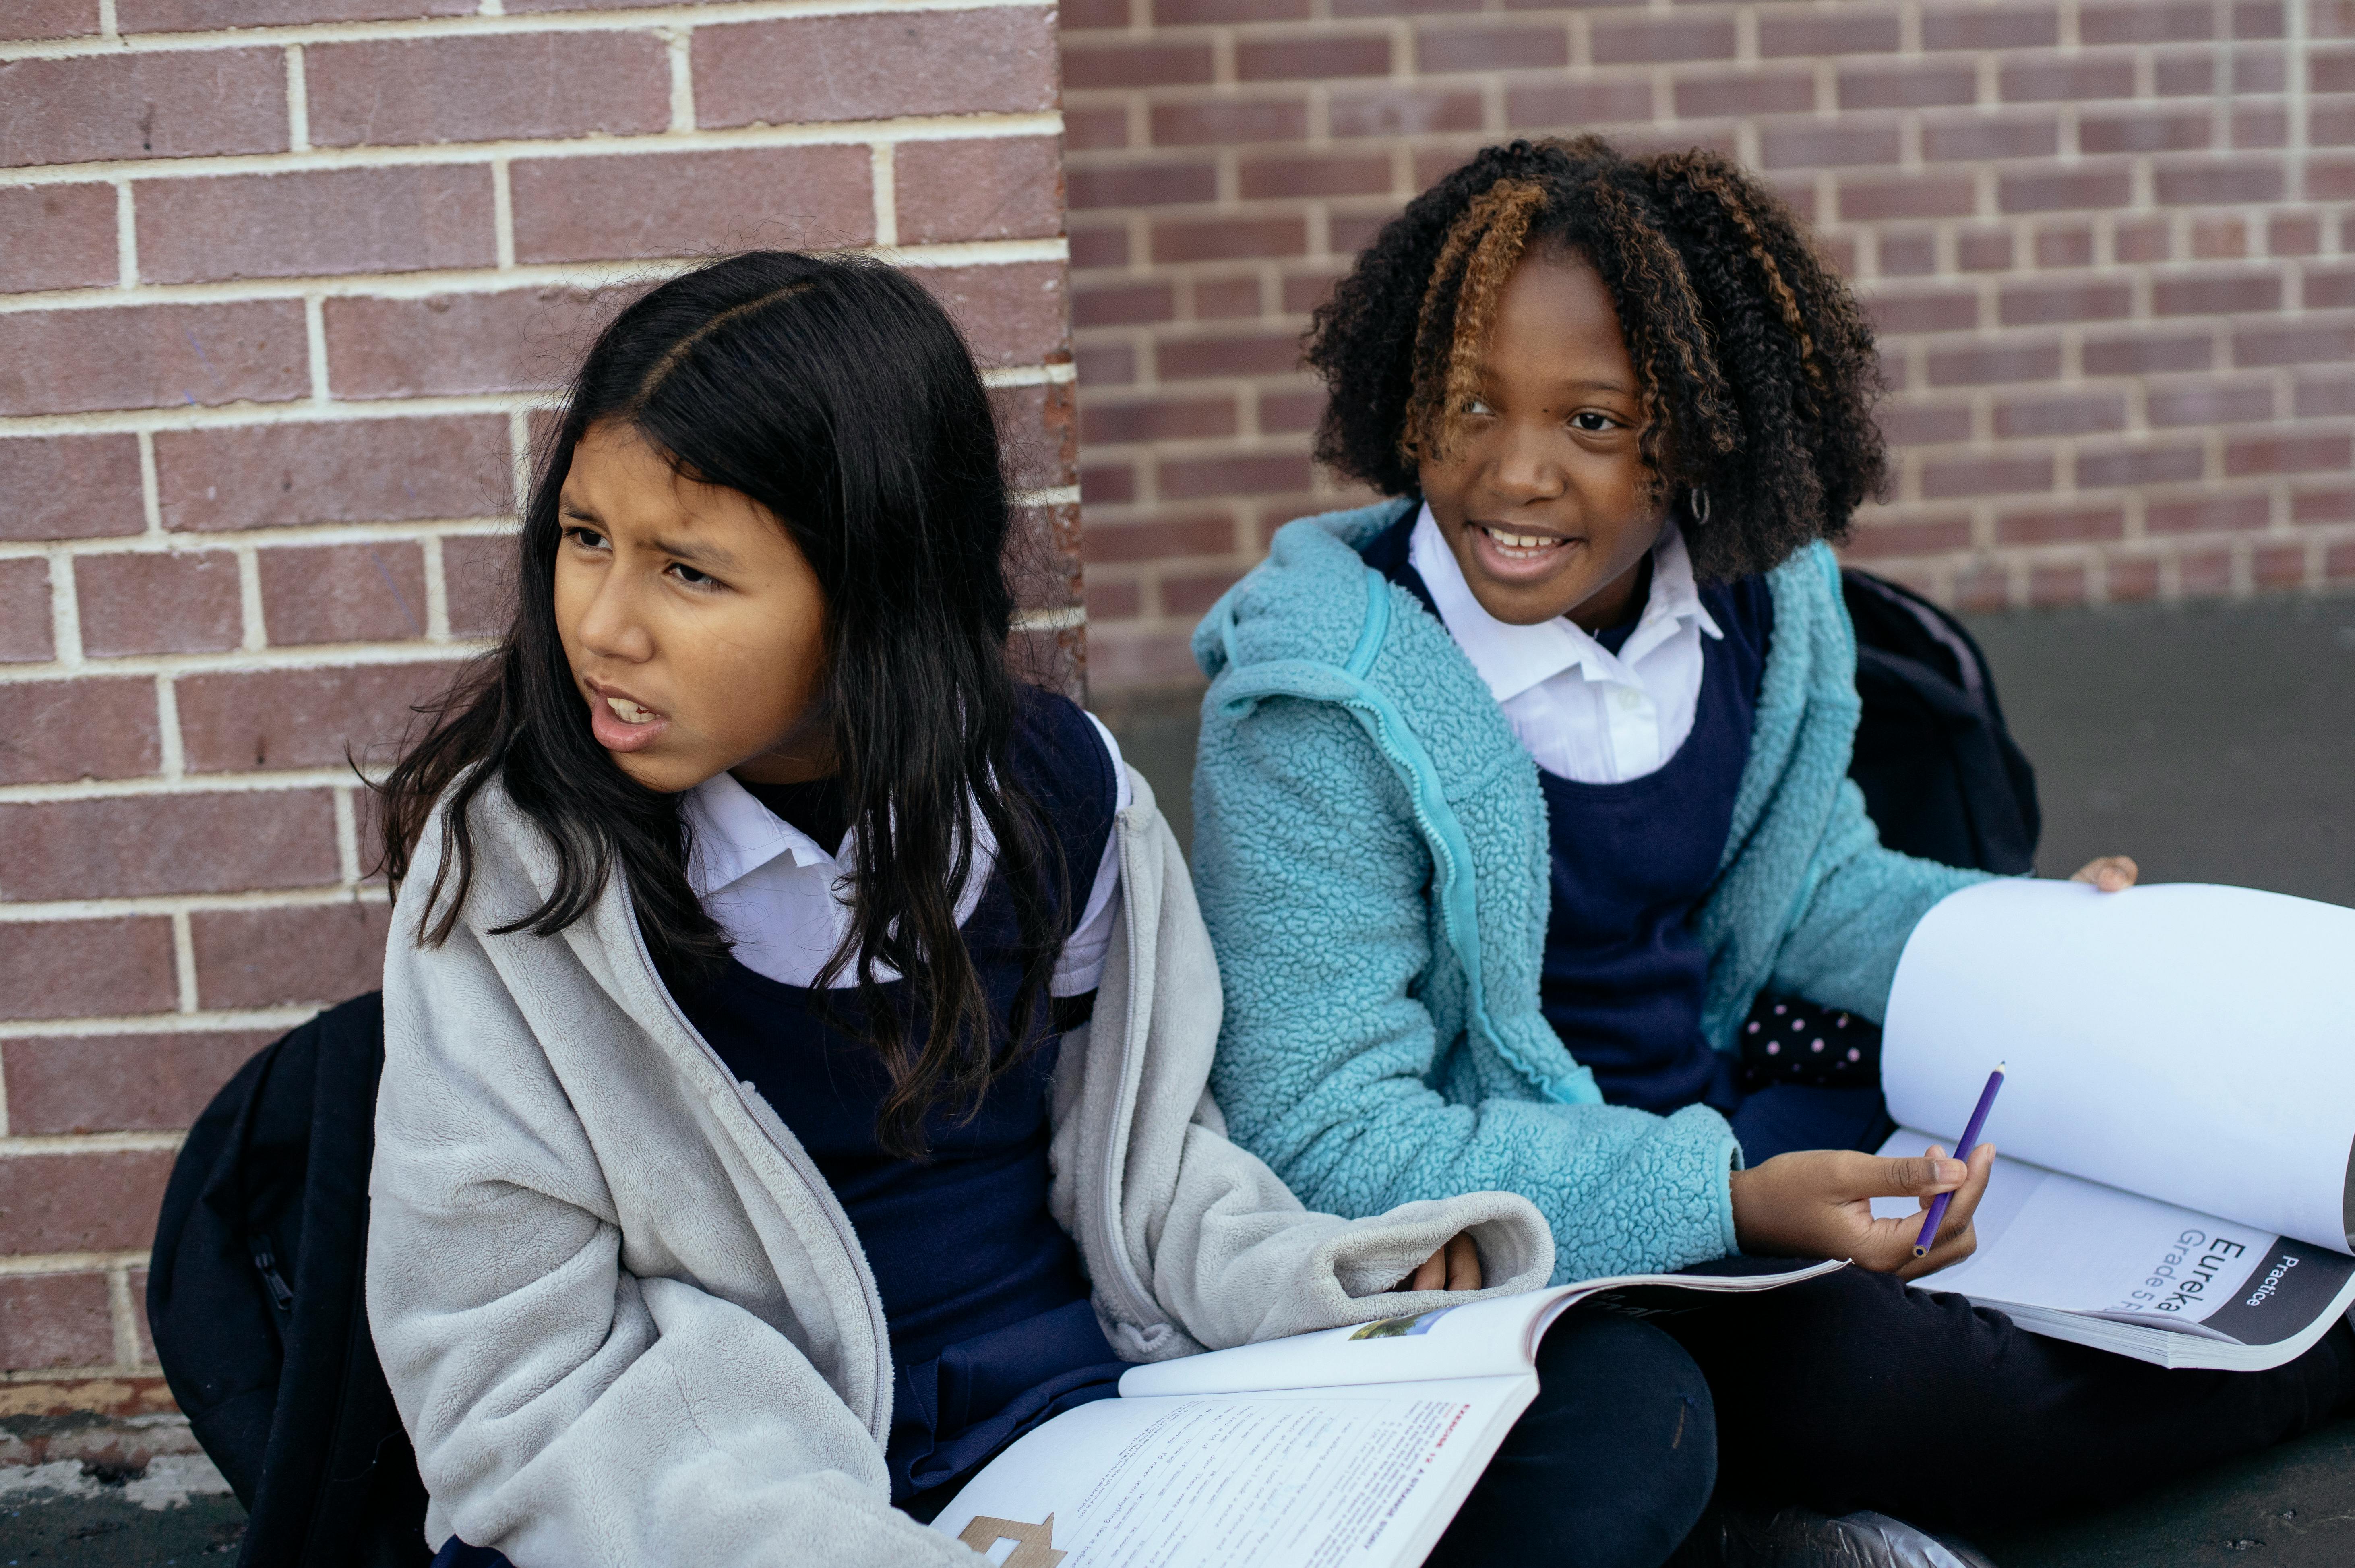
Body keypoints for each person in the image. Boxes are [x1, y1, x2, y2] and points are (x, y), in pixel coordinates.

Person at [364, 249, 1717, 1568]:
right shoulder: (522, 876)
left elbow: (1154, 1172)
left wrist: (1342, 1278)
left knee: (1611, 1409)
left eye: (688, 571)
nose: (601, 623)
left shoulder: (1054, 797)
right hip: (748, 1501)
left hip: (1083, 1426)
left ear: (877, 590)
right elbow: (514, 1389)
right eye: (585, 541)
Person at [1189, 137, 2355, 1545]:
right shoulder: (1320, 698)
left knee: (2107, 1154)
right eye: (1465, 404)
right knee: (1857, 1378)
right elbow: (1318, 1130)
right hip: (1518, 1220)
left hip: (1738, 1106)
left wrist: (2034, 934)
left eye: (1596, 424)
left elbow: (1810, 890)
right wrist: (1728, 1203)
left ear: (1699, 424)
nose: (1513, 473)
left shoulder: (1762, 601)